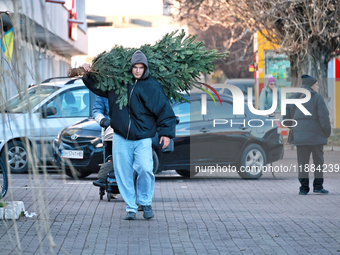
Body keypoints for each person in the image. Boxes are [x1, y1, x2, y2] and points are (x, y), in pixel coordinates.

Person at [82, 50, 176, 220]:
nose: (138, 70)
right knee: (123, 172)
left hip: (143, 137)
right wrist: (88, 74)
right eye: (135, 67)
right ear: (131, 67)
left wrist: (166, 133)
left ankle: (145, 202)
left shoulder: (151, 86)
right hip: (120, 136)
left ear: (145, 68)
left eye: (141, 67)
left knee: (145, 169)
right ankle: (131, 207)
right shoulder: (118, 84)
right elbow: (97, 87)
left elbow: (164, 110)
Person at [284, 74, 331, 195]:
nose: (318, 87)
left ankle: (303, 188)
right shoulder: (317, 98)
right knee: (318, 162)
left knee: (302, 163)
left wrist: (297, 129)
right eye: (316, 85)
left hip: (300, 138)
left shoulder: (292, 98)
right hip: (316, 137)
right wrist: (327, 132)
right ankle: (318, 186)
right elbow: (324, 118)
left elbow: (286, 119)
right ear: (311, 85)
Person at [92, 96, 113, 187]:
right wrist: (103, 120)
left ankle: (102, 177)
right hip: (110, 131)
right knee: (111, 158)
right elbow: (96, 111)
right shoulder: (103, 95)